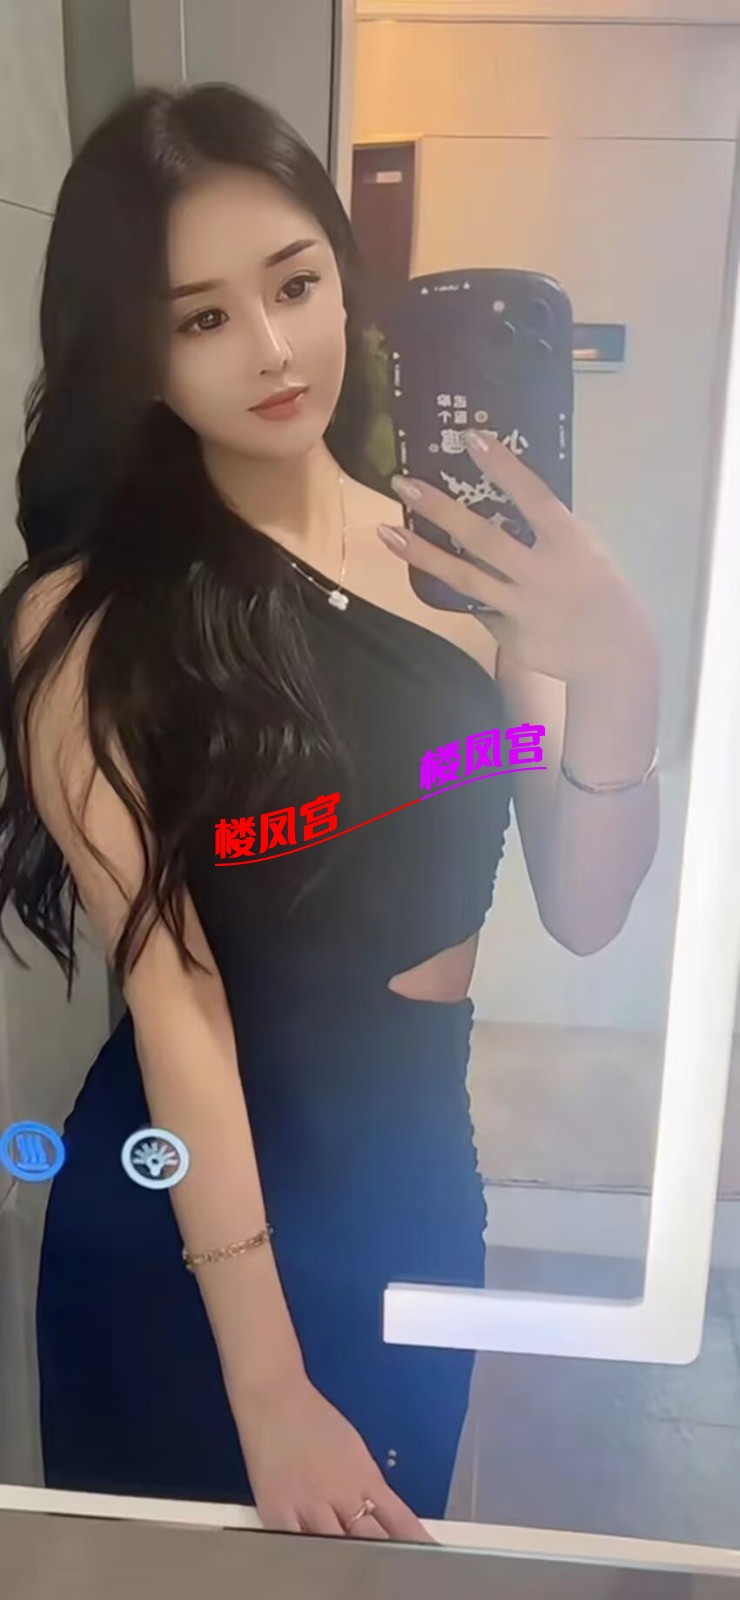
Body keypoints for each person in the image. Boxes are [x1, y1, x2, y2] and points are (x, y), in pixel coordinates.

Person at [0, 85, 659, 1539]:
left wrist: (621, 670)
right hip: (190, 1238)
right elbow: (175, 997)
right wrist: (269, 1387)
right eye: (203, 316)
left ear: (346, 283)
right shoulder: (87, 617)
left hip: (415, 1182)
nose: (274, 347)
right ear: (138, 351)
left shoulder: (458, 559)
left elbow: (585, 902)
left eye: (295, 285)